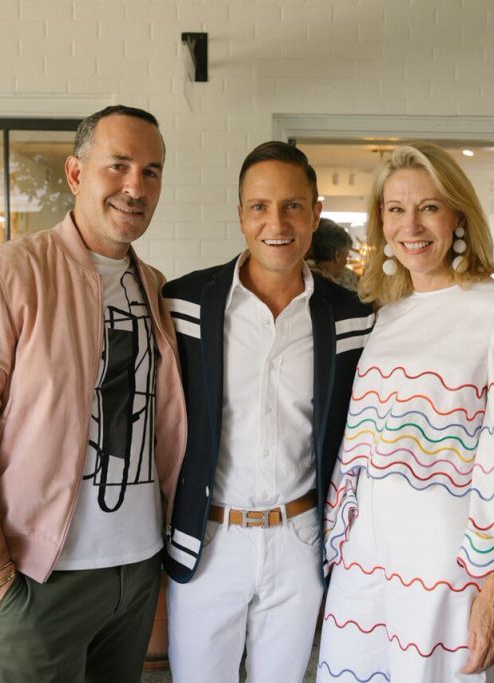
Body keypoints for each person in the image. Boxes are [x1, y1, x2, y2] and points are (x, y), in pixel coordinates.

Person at [0, 105, 187, 682]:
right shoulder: (2, 275)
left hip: (136, 571)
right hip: (40, 579)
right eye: (118, 166)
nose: (135, 186)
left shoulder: (158, 289)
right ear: (76, 174)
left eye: (152, 171)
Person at [318, 142, 494, 682]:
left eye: (429, 207)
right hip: (363, 556)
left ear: (458, 216)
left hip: (444, 563)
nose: (410, 225)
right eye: (395, 209)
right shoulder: (388, 315)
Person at [162, 141, 374, 682]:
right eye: (259, 206)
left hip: (300, 538)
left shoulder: (351, 318)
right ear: (240, 215)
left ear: (315, 213)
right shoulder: (183, 304)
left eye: (292, 206)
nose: (275, 222)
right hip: (209, 538)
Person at [308, 217, 359, 290]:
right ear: (337, 255)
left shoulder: (299, 276)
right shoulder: (349, 280)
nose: (346, 262)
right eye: (346, 256)